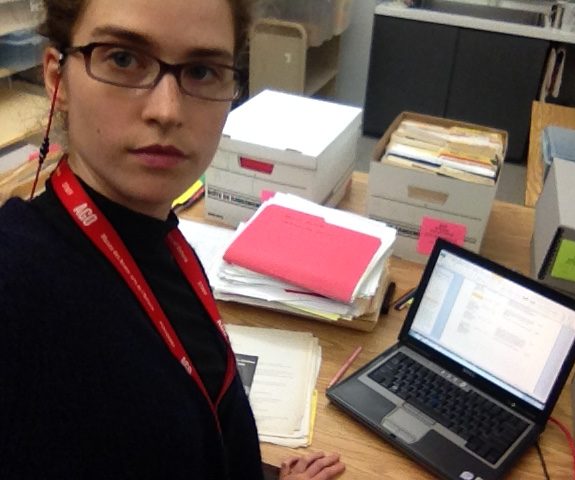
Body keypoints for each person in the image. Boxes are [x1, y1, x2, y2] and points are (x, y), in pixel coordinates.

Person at [0, 1, 345, 479]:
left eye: (202, 70)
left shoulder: (160, 239)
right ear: (58, 80)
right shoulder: (15, 286)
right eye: (123, 58)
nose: (167, 111)